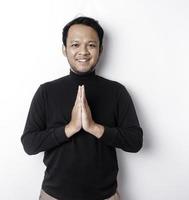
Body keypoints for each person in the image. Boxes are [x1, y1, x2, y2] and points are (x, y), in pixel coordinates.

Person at [21, 16, 143, 200]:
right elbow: (29, 144)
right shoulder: (46, 91)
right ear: (64, 49)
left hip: (105, 196)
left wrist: (94, 127)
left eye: (91, 45)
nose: (83, 52)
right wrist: (69, 128)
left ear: (100, 50)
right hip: (54, 196)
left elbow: (135, 142)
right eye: (75, 44)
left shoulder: (117, 92)